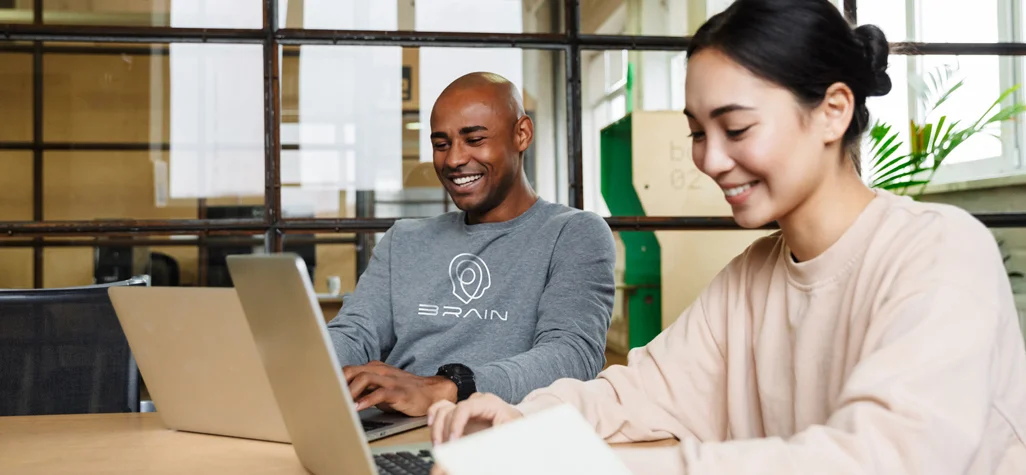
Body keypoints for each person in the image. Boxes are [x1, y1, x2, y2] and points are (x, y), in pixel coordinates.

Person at [426, 1, 1026, 473]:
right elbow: (638, 392)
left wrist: (587, 465)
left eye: (736, 128)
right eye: (696, 132)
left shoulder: (941, 252)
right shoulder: (753, 275)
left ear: (832, 111)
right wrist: (516, 422)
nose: (710, 160)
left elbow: (876, 461)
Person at [326, 72, 617, 418]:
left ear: (522, 134)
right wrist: (299, 361)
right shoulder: (403, 240)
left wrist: (448, 388)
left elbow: (572, 357)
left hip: (495, 430)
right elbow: (354, 334)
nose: (453, 160)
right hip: (389, 426)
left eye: (475, 139)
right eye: (441, 144)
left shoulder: (573, 234)